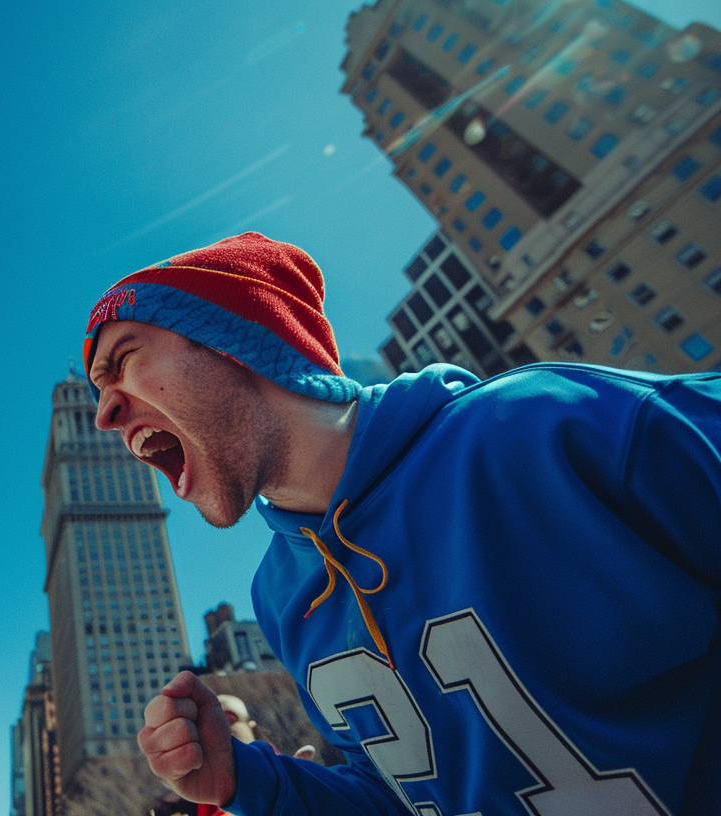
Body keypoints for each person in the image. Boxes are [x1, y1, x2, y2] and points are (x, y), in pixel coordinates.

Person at [83, 233, 720, 815]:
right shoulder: (280, 596)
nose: (105, 414)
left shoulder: (542, 427)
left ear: (235, 335)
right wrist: (253, 783)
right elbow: (405, 797)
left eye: (124, 359)